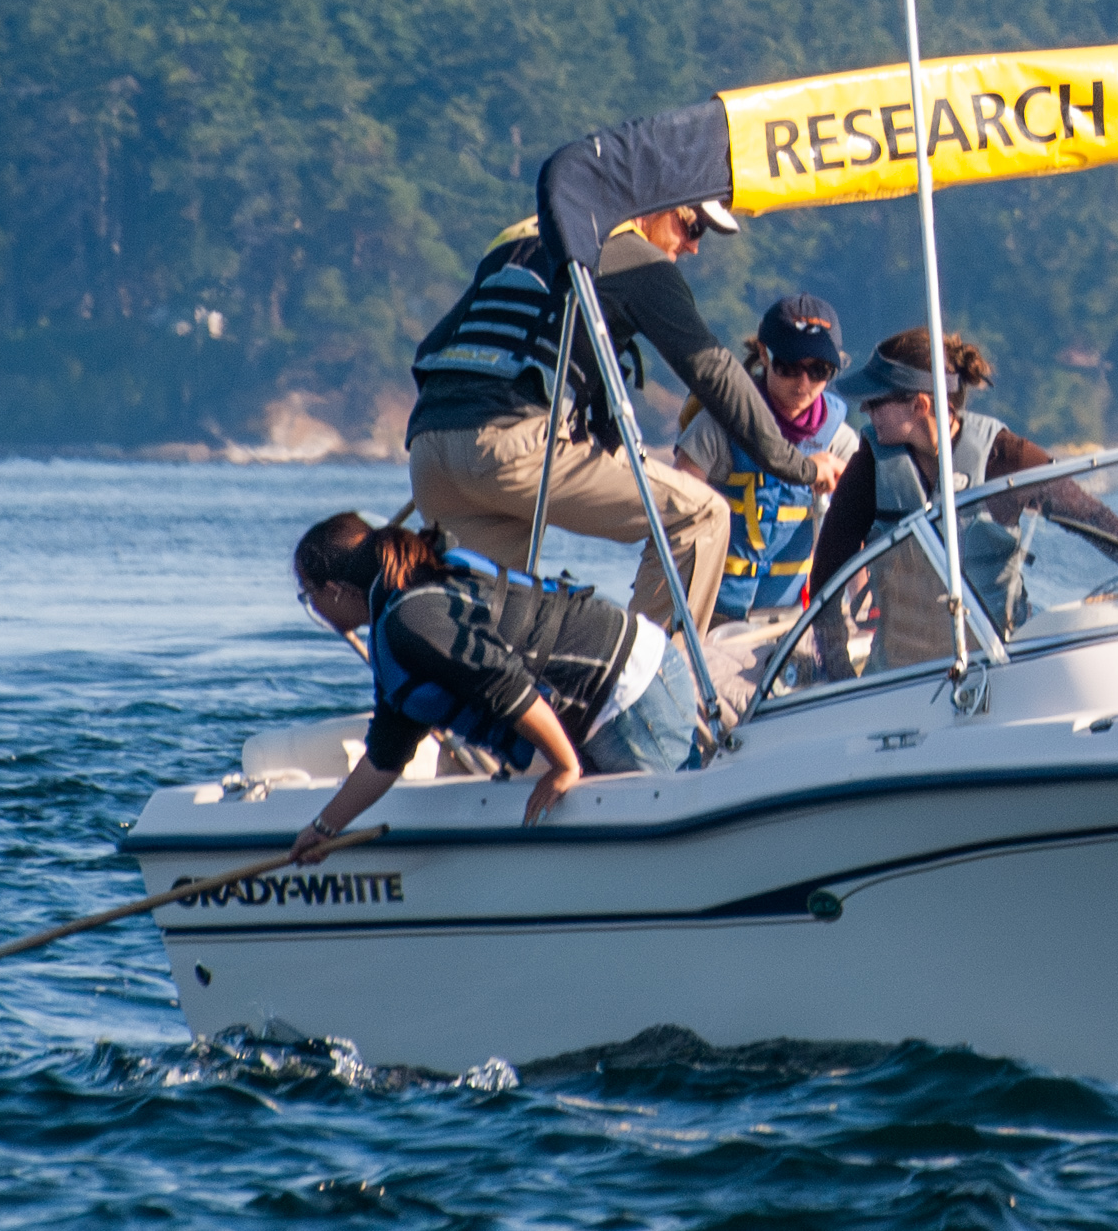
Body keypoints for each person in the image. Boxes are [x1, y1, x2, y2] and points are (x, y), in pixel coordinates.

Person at [404, 205, 844, 636]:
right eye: (691, 225)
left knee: (476, 634)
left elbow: (432, 346)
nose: (692, 246)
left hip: (428, 446)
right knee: (703, 515)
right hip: (510, 445)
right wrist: (800, 467)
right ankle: (651, 687)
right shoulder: (634, 256)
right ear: (650, 206)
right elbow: (712, 370)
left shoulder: (521, 234)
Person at [285, 512, 697, 863]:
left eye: (309, 595)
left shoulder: (411, 620)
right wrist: (325, 829)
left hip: (630, 689)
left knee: (667, 849)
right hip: (610, 698)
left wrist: (563, 766)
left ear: (335, 591)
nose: (311, 607)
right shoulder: (400, 614)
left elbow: (506, 685)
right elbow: (386, 755)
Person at [808, 327, 1118, 672]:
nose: (865, 409)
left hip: (999, 666)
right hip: (898, 677)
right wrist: (837, 670)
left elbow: (1095, 521)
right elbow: (827, 575)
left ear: (920, 404)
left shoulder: (1004, 455)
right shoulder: (871, 463)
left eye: (875, 401)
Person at [673, 294, 863, 721]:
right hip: (714, 615)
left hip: (792, 619)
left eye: (819, 371)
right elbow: (674, 510)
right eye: (789, 367)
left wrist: (866, 606)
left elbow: (857, 535)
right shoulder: (721, 423)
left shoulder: (839, 441)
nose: (803, 383)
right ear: (763, 355)